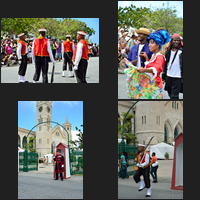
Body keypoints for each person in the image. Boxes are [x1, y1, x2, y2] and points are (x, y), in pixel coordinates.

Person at [136, 29, 171, 97]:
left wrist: (143, 70)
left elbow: (155, 69)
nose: (149, 45)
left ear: (158, 45)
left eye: (152, 43)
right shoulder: (153, 55)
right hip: (149, 85)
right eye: (149, 42)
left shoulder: (160, 57)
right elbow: (151, 66)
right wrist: (146, 58)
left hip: (155, 86)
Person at [162, 34, 183, 99]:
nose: (176, 42)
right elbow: (165, 64)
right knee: (170, 93)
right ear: (172, 41)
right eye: (175, 40)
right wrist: (164, 75)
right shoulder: (168, 51)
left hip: (178, 77)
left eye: (178, 40)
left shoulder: (182, 51)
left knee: (174, 96)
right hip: (168, 76)